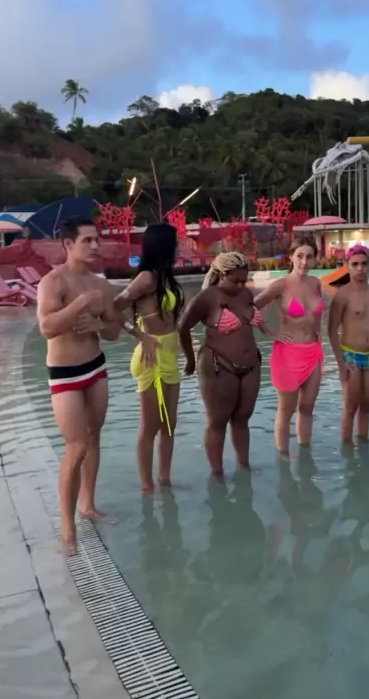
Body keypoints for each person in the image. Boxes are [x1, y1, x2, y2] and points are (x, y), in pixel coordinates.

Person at [37, 217, 122, 556]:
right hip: (64, 374)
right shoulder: (53, 282)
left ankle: (87, 505)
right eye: (87, 240)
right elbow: (46, 328)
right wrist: (79, 305)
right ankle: (67, 527)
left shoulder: (101, 285)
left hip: (95, 367)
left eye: (96, 240)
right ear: (68, 245)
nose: (95, 246)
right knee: (76, 447)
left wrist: (98, 325)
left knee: (93, 439)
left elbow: (114, 331)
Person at [179, 252, 270, 478]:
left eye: (243, 281)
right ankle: (217, 474)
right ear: (221, 274)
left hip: (251, 365)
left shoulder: (245, 293)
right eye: (234, 280)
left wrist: (273, 334)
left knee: (242, 419)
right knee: (217, 422)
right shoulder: (207, 298)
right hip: (219, 364)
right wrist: (190, 359)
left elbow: (253, 320)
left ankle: (243, 466)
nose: (239, 285)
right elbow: (182, 327)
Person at [114, 223, 184, 494]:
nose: (178, 248)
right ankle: (147, 486)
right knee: (150, 426)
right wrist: (140, 335)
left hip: (169, 354)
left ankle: (165, 480)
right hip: (150, 357)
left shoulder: (165, 278)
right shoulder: (146, 278)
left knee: (169, 424)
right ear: (163, 246)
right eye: (175, 243)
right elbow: (113, 307)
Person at [254, 232, 323, 455]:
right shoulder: (280, 285)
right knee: (285, 411)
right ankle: (283, 458)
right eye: (300, 256)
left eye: (309, 257)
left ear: (315, 259)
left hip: (313, 352)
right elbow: (250, 308)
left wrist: (318, 333)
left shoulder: (315, 283)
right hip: (287, 353)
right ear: (291, 256)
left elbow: (317, 314)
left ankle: (305, 453)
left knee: (307, 408)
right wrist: (269, 333)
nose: (304, 262)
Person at [327, 243, 369, 444]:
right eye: (355, 264)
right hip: (350, 355)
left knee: (366, 405)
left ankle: (363, 445)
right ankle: (347, 449)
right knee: (351, 407)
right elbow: (331, 330)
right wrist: (341, 363)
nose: (360, 269)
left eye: (364, 264)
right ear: (347, 266)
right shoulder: (342, 295)